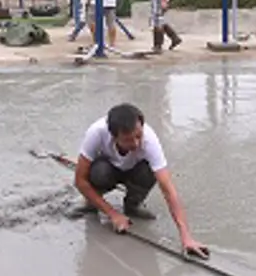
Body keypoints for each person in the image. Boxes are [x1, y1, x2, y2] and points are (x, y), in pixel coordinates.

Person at [72, 103, 208, 258]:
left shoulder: (150, 140)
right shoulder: (96, 133)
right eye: (128, 139)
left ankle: (132, 205)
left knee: (149, 170)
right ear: (113, 136)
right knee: (99, 172)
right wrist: (112, 214)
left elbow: (168, 190)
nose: (136, 143)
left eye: (138, 136)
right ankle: (92, 203)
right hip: (107, 169)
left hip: (134, 170)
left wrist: (186, 237)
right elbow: (80, 180)